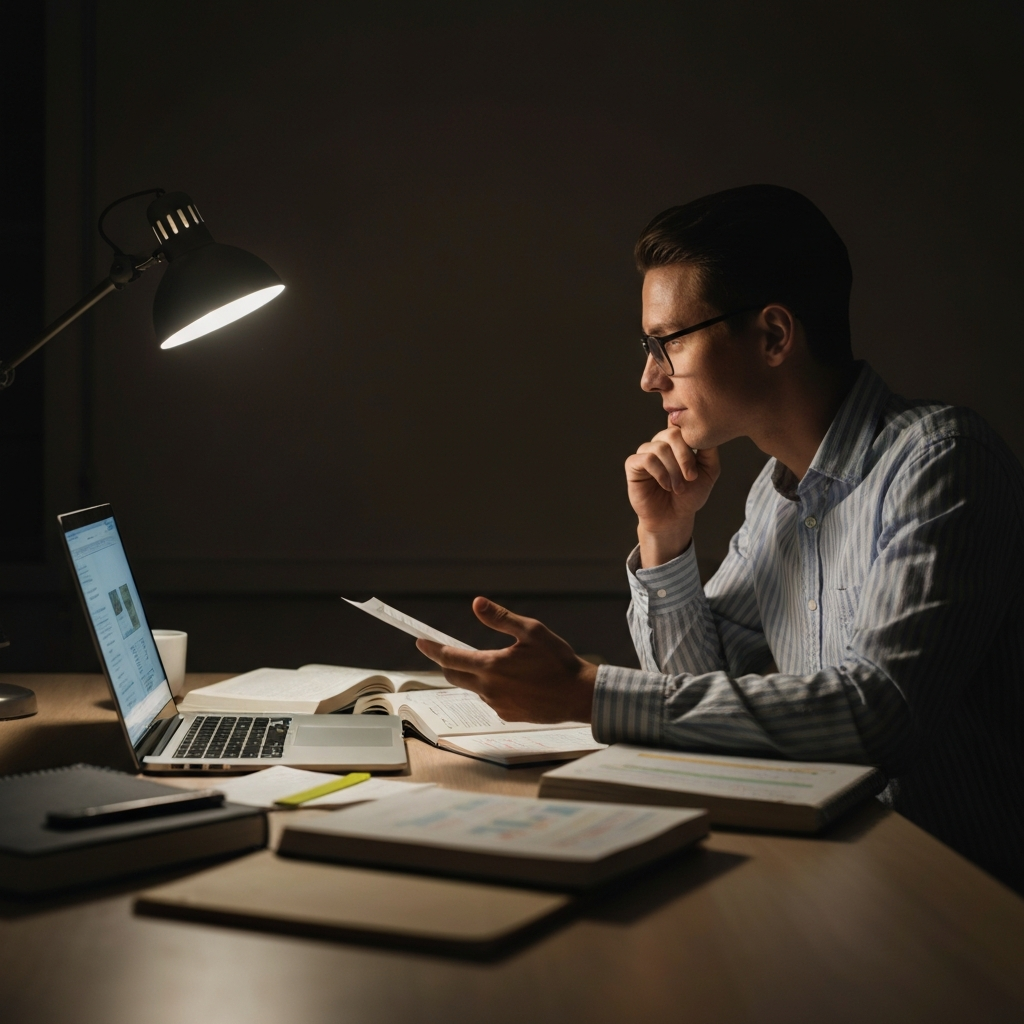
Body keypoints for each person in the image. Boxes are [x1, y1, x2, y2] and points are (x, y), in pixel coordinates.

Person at [416, 185, 1024, 891]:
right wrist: (665, 538)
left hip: (959, 904)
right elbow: (697, 689)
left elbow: (878, 716)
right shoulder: (776, 492)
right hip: (823, 871)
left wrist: (591, 695)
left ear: (772, 336)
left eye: (665, 343)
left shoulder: (943, 461)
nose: (649, 377)